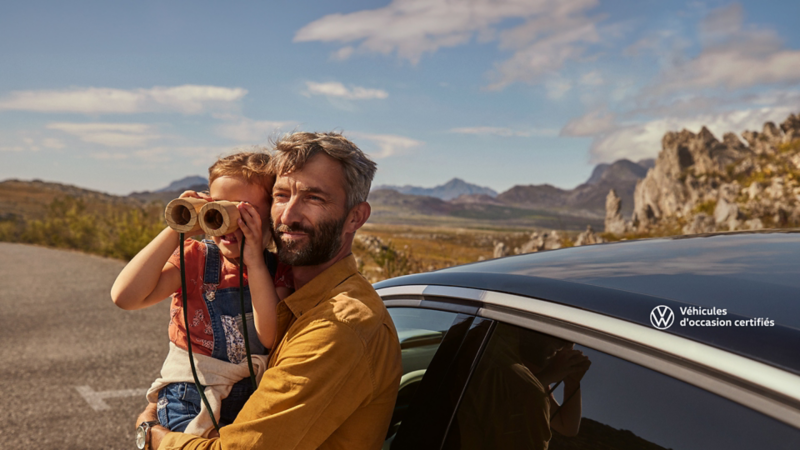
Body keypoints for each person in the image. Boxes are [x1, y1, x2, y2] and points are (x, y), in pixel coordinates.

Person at [135, 132, 403, 450]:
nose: (287, 216)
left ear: (355, 217)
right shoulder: (290, 294)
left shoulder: (339, 326)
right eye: (280, 196)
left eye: (314, 198)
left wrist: (152, 434)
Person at [112, 152, 293, 437]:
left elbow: (269, 336)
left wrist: (255, 262)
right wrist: (179, 226)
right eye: (218, 209)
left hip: (250, 400)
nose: (230, 222)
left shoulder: (276, 270)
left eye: (246, 212)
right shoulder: (195, 259)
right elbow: (126, 296)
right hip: (188, 400)